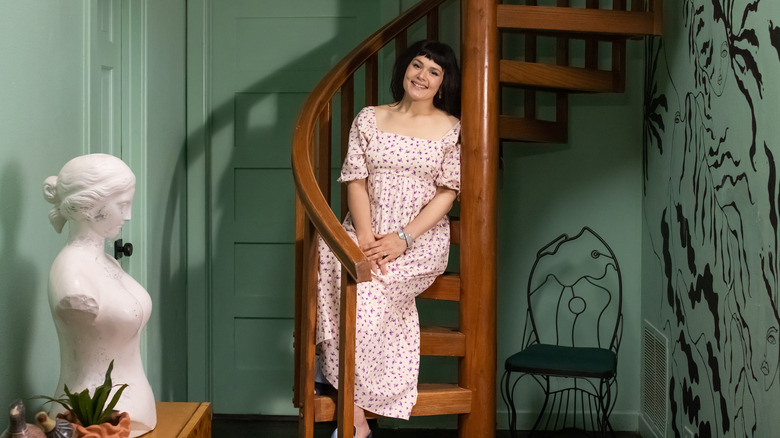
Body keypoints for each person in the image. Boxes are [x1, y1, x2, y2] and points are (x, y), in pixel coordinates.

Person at [316, 40, 461, 438]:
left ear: (443, 83)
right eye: (417, 65)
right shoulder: (369, 117)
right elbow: (355, 179)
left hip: (418, 241)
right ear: (404, 70)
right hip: (366, 229)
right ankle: (358, 421)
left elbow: (447, 192)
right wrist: (364, 238)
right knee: (331, 258)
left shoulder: (452, 128)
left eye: (434, 72)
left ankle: (346, 403)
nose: (422, 76)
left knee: (363, 298)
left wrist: (402, 239)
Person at [42, 154, 156, 437]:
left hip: (132, 410)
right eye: (122, 205)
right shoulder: (71, 277)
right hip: (93, 418)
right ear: (90, 206)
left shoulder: (108, 262)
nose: (128, 215)